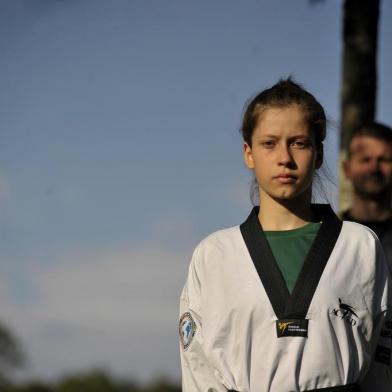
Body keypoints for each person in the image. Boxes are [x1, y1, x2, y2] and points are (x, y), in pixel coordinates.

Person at [179, 79, 392, 391]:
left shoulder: (359, 246)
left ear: (318, 154)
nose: (285, 158)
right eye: (269, 143)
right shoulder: (214, 255)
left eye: (299, 143)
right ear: (248, 153)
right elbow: (198, 372)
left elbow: (382, 366)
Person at [342, 122, 392, 269]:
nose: (374, 168)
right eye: (365, 160)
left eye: (384, 160)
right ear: (347, 169)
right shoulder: (329, 234)